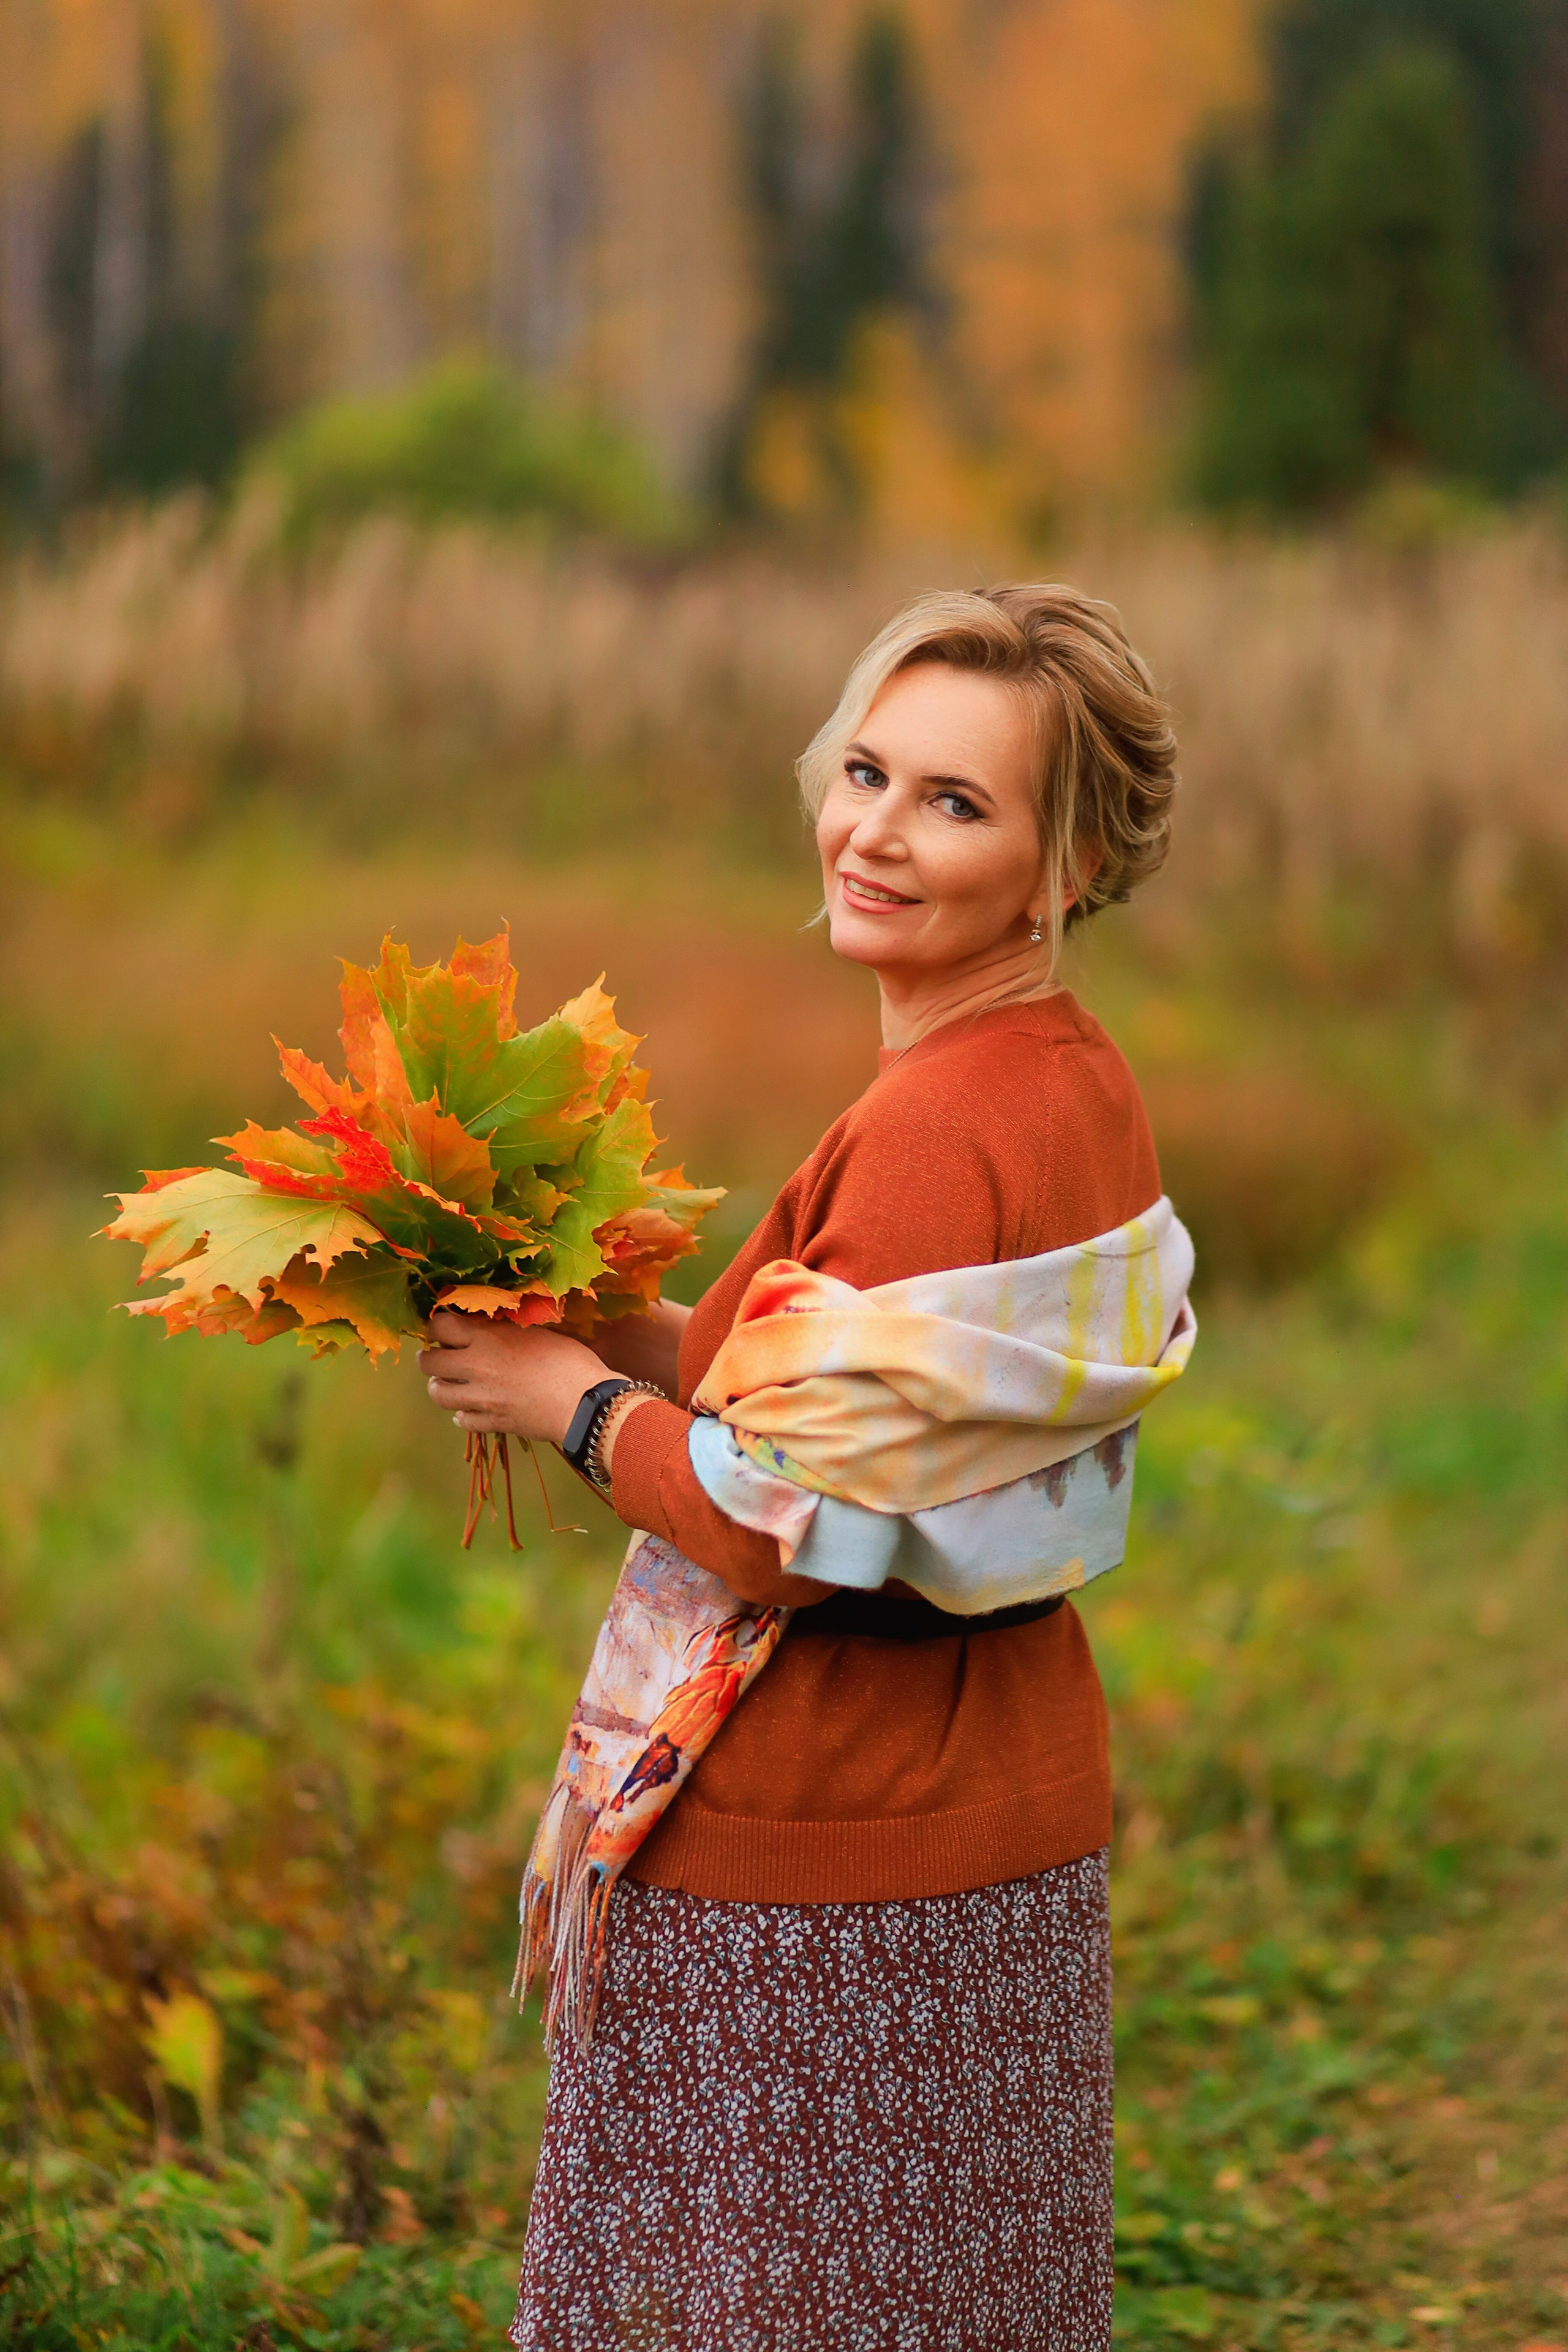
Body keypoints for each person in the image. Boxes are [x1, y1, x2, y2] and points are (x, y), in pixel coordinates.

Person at [420, 583, 1190, 2352]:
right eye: (868, 772)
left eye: (956, 803)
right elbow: (862, 1426)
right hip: (997, 1805)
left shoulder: (929, 1133)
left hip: (831, 1854)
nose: (877, 834)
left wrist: (568, 1407)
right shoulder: (1073, 1081)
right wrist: (615, 1329)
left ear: (1061, 869)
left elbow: (799, 1522)